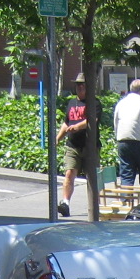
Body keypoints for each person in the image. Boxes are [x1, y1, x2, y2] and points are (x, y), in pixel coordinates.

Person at [54, 74, 92, 218]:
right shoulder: (71, 103)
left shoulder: (93, 103)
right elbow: (66, 123)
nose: (79, 87)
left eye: (82, 84)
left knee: (92, 177)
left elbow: (91, 120)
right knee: (69, 173)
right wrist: (58, 138)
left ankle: (94, 207)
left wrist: (77, 127)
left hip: (89, 147)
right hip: (72, 146)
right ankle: (65, 204)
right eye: (77, 85)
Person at [112, 79, 140, 192]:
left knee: (126, 175)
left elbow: (116, 124)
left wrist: (118, 138)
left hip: (123, 141)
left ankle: (126, 202)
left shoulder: (120, 104)